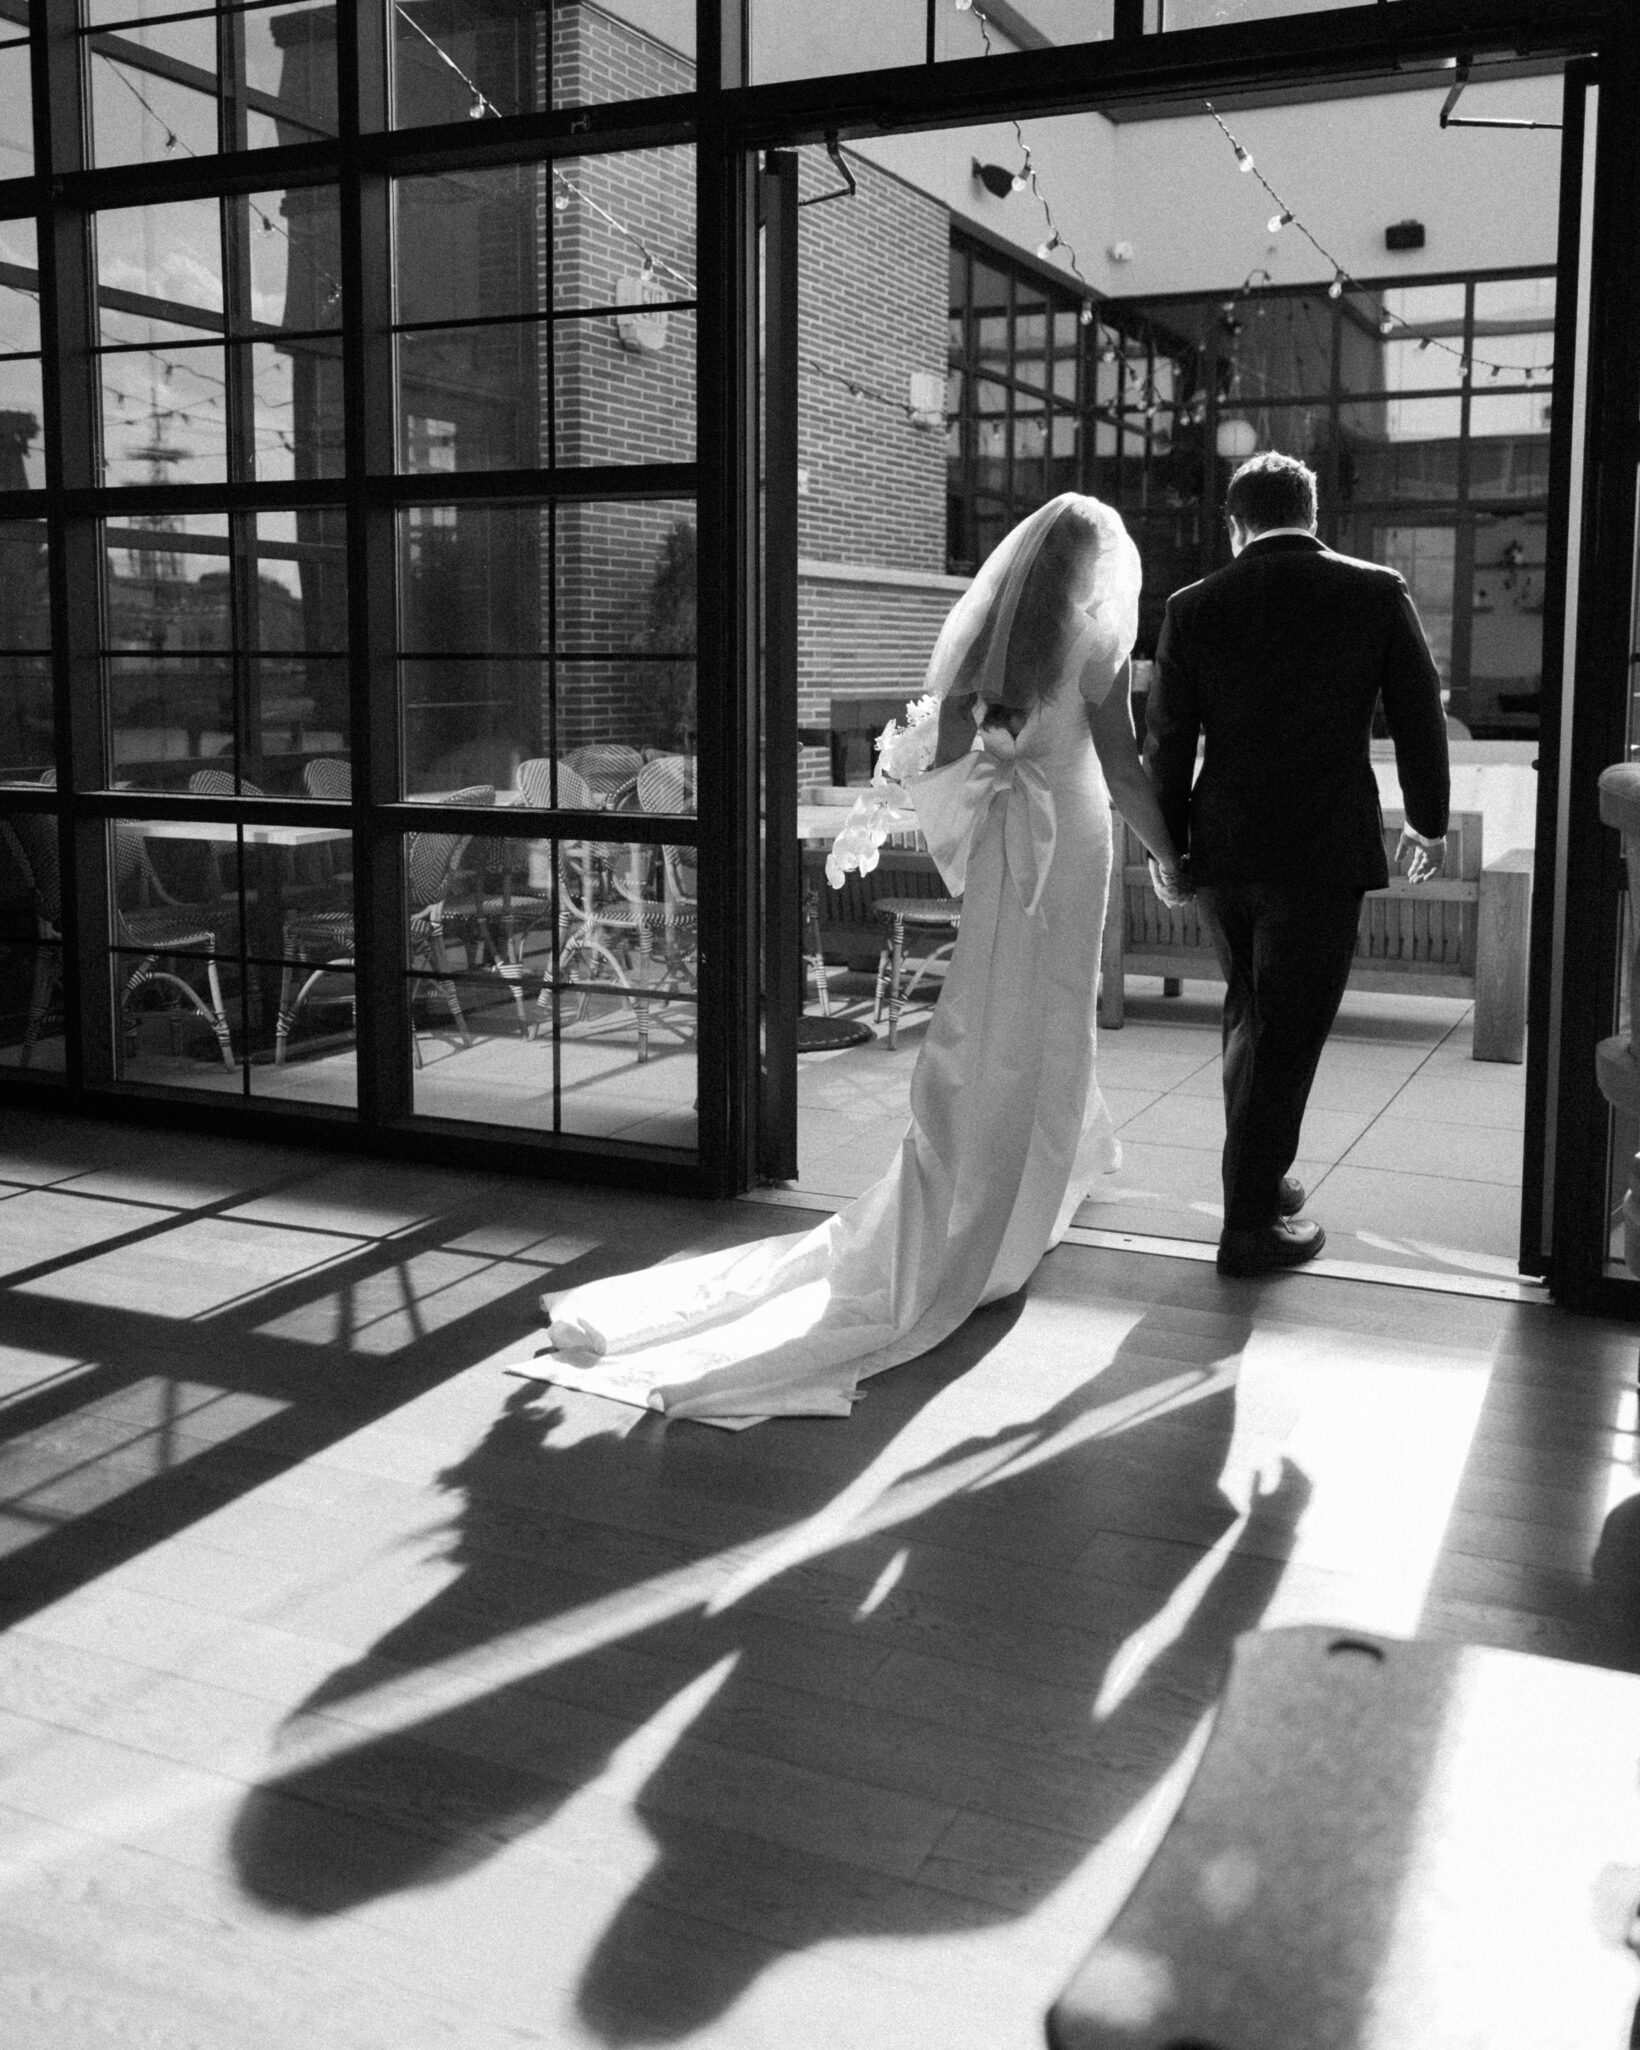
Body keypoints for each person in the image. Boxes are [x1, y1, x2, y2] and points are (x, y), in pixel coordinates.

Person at [510, 494, 1187, 1428]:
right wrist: (1173, 852)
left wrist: (944, 764)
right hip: (1065, 836)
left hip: (1006, 839)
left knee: (989, 1004)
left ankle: (998, 1163)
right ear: (1096, 577)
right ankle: (1013, 1200)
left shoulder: (1001, 650)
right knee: (1052, 1009)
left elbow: (940, 748)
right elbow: (1120, 773)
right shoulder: (1100, 643)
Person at [1143, 451, 1450, 1278]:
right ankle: (1246, 1228)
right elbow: (1419, 713)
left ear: (1234, 523)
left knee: (1251, 1016)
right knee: (1290, 1030)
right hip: (1321, 851)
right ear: (1313, 516)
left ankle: (1261, 1177)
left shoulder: (1192, 605)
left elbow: (1166, 742)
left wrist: (1166, 850)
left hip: (1225, 850)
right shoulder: (1374, 590)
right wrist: (1427, 823)